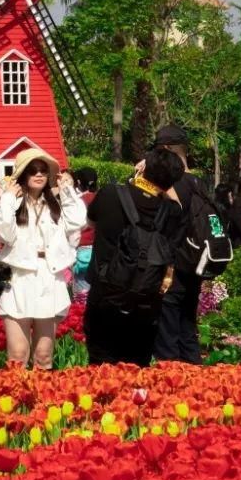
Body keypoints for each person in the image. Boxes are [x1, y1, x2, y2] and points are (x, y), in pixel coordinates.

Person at [84, 148, 185, 367]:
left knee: (100, 367)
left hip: (105, 296)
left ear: (144, 167)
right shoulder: (172, 212)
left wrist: (136, 178)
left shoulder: (110, 194)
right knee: (137, 368)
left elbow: (91, 224)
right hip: (146, 303)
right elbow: (175, 206)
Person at [0, 147, 86, 370]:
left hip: (49, 277)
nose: (39, 175)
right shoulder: (12, 204)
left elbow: (77, 221)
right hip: (19, 277)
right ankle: (15, 401)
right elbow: (3, 233)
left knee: (44, 355)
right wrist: (7, 198)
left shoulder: (56, 205)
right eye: (33, 170)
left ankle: (41, 400)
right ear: (23, 175)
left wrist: (68, 191)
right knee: (18, 353)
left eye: (44, 170)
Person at [151, 124, 225, 365]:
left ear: (167, 150)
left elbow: (161, 222)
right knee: (187, 325)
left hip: (174, 266)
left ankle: (171, 383)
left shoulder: (174, 183)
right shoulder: (199, 182)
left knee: (168, 331)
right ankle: (195, 383)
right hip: (195, 263)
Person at [72, 166, 98, 296]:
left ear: (78, 182)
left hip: (81, 247)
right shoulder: (100, 197)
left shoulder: (78, 200)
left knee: (81, 291)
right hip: (97, 248)